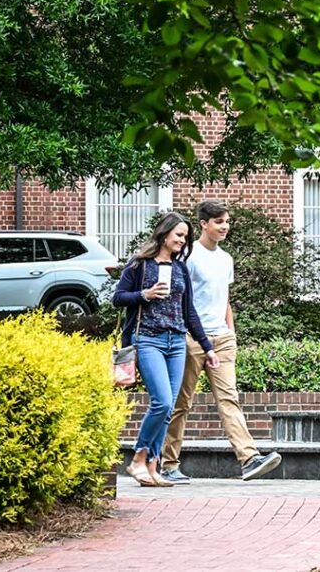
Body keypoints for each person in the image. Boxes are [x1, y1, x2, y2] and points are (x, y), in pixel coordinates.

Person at [160, 201, 282, 483]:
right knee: (181, 403)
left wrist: (231, 331)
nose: (225, 226)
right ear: (203, 224)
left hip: (222, 339)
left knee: (229, 398)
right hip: (191, 338)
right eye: (218, 222)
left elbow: (224, 298)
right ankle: (168, 464)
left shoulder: (226, 259)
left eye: (227, 221)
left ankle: (249, 458)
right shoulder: (189, 258)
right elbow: (179, 298)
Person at [113, 212, 219, 487]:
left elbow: (189, 311)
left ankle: (151, 465)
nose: (183, 241)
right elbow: (117, 298)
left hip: (176, 343)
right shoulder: (140, 265)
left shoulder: (181, 268)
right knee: (161, 401)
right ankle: (138, 458)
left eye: (186, 237)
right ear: (165, 234)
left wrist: (207, 347)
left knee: (169, 406)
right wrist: (144, 295)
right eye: (179, 235)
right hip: (147, 340)